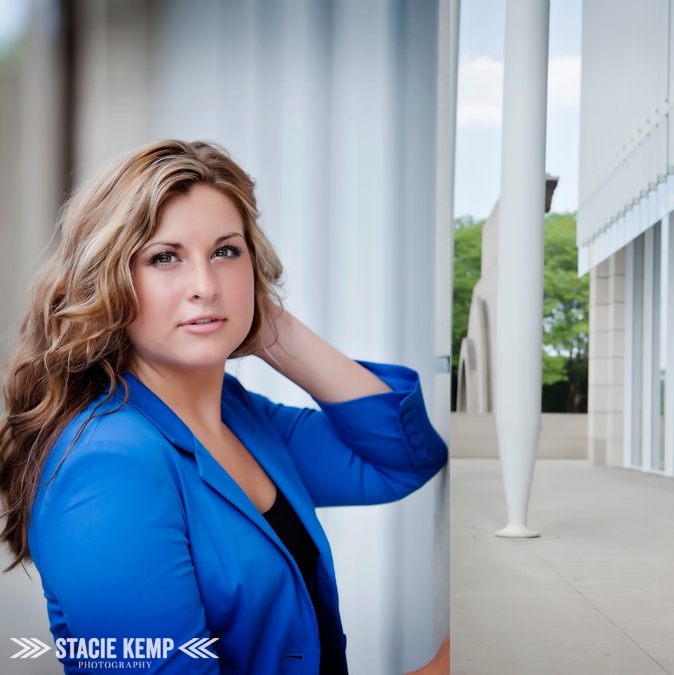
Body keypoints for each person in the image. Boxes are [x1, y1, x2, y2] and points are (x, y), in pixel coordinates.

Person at [0, 140, 449, 673]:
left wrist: (271, 326)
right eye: (164, 257)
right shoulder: (106, 465)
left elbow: (401, 459)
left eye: (226, 252)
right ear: (110, 283)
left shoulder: (238, 415)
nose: (205, 286)